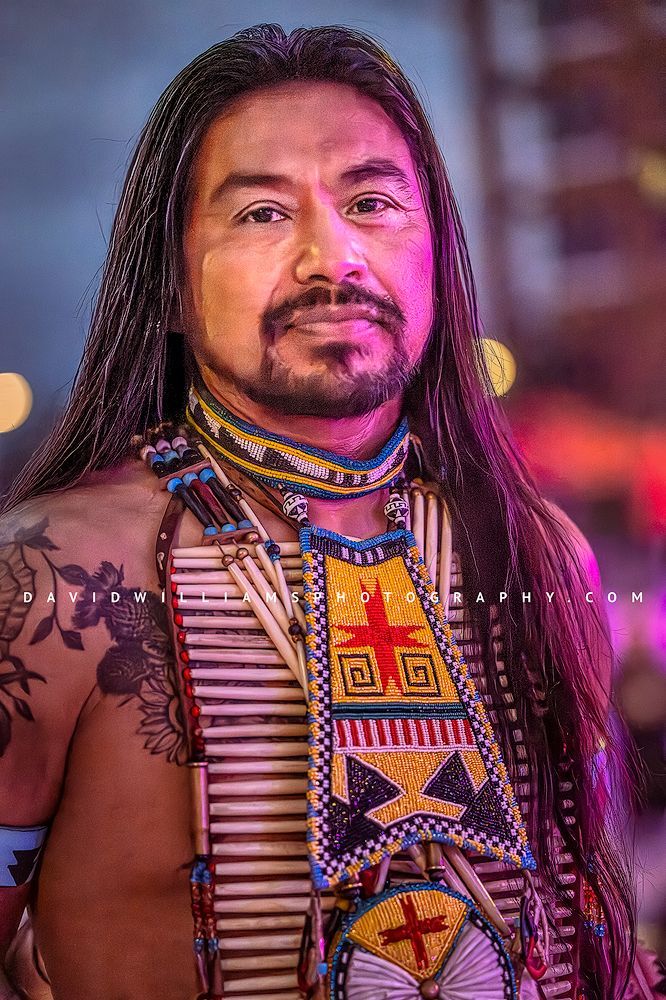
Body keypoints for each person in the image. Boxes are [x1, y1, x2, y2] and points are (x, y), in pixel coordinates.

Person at [0, 24, 639, 1000]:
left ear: (437, 255)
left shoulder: (539, 552)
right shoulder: (52, 586)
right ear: (168, 283)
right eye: (260, 213)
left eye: (372, 202)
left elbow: (605, 946)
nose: (328, 256)